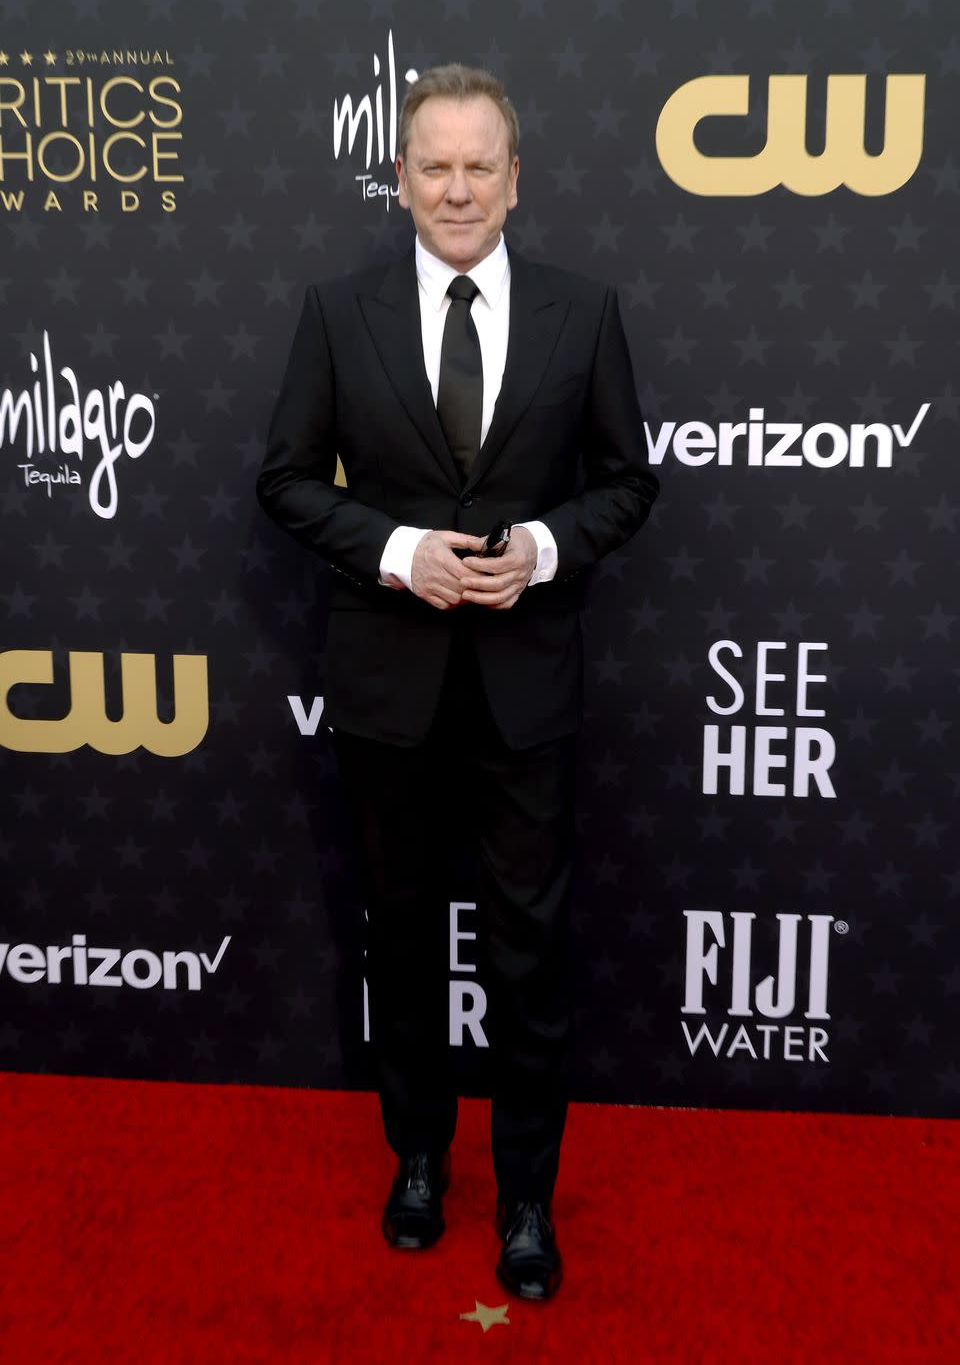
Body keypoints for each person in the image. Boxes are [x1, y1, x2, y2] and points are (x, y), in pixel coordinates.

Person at [257, 63, 658, 1302]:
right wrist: (396, 552)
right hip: (389, 688)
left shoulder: (583, 314)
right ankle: (421, 1158)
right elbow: (283, 479)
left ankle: (528, 1194)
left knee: (531, 951)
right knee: (406, 944)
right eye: (435, 164)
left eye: (481, 164)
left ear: (516, 176)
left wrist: (535, 550)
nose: (458, 187)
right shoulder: (338, 312)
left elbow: (628, 482)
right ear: (402, 178)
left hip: (529, 692)